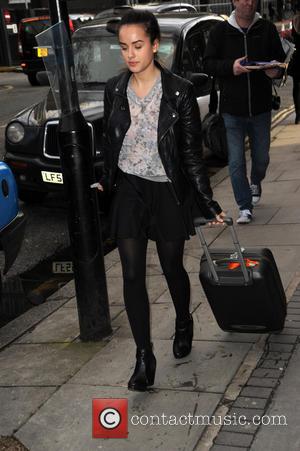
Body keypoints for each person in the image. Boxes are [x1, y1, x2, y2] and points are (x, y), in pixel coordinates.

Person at [97, 10, 225, 391]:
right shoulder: (114, 89)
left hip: (167, 189)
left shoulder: (179, 90)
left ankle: (183, 320)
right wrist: (105, 181)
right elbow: (111, 142)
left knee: (172, 267)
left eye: (138, 46)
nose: (131, 54)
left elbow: (190, 153)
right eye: (124, 47)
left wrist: (207, 201)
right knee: (132, 274)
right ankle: (143, 356)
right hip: (130, 190)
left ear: (155, 45)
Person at [203, 0, 286, 224]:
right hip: (232, 110)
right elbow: (208, 64)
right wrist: (231, 68)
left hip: (261, 108)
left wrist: (274, 72)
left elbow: (280, 61)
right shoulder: (220, 31)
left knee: (262, 159)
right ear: (233, 1)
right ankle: (244, 206)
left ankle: (256, 181)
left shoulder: (266, 28)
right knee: (236, 161)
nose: (247, 2)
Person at [288, 5, 300, 123]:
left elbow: (293, 38)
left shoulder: (295, 20)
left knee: (296, 87)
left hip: (297, 58)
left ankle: (298, 114)